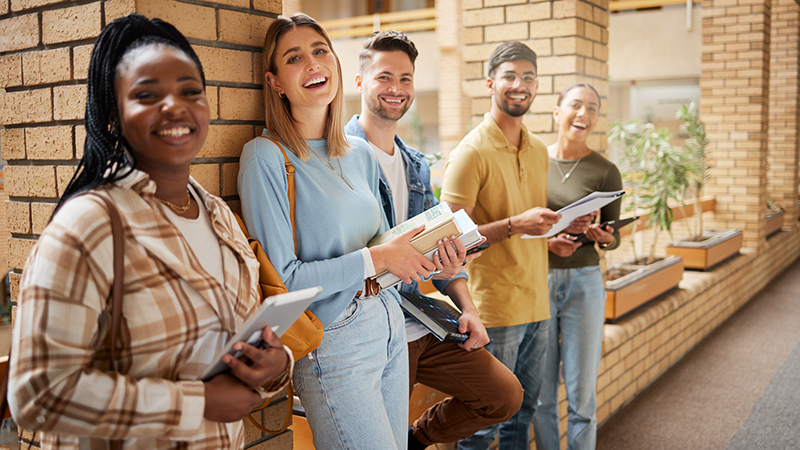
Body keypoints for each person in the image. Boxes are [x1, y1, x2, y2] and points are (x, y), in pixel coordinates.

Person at [8, 14, 292, 449]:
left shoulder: (219, 216)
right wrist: (195, 402)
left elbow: (231, 341)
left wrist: (274, 366)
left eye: (190, 91)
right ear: (111, 118)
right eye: (146, 95)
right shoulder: (88, 226)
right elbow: (37, 394)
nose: (175, 106)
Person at [238, 14, 437, 450]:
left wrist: (429, 254)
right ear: (275, 82)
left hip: (389, 323)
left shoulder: (361, 153)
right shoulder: (265, 158)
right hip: (335, 340)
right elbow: (286, 281)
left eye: (320, 50)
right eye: (295, 57)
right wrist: (379, 259)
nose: (313, 64)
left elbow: (385, 247)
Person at [344, 30, 523, 449]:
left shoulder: (415, 166)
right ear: (359, 82)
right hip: (372, 325)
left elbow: (442, 258)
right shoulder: (339, 159)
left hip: (418, 316)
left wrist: (469, 308)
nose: (396, 89)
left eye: (405, 79)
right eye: (384, 77)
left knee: (503, 396)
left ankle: (415, 441)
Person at [440, 41, 562, 450]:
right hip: (494, 308)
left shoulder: (540, 148)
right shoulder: (471, 152)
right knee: (484, 423)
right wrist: (513, 225)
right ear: (491, 83)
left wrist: (550, 236)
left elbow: (527, 223)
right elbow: (450, 239)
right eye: (509, 76)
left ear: (537, 85)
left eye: (528, 77)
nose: (519, 84)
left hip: (537, 302)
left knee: (523, 412)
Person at [532, 83, 622, 450]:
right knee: (541, 394)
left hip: (584, 284)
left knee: (581, 394)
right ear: (557, 112)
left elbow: (613, 234)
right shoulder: (534, 160)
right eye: (575, 105)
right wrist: (547, 242)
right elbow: (523, 224)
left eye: (592, 108)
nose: (583, 113)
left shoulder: (606, 171)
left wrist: (603, 236)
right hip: (537, 280)